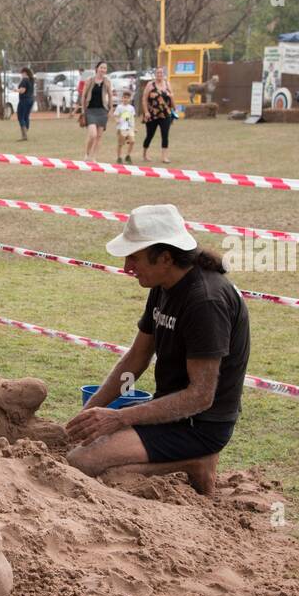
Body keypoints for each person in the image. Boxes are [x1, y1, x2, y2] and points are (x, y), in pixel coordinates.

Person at [65, 204, 250, 497]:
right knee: (83, 445)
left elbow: (201, 397)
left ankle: (194, 462)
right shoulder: (164, 283)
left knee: (82, 462)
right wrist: (86, 414)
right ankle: (178, 458)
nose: (127, 266)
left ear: (165, 257)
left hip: (200, 425)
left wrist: (121, 417)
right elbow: (137, 357)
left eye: (134, 257)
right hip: (172, 412)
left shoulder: (206, 302)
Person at [79, 60, 112, 161]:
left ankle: (94, 157)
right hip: (90, 110)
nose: (103, 70)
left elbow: (110, 96)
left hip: (102, 111)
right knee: (93, 134)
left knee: (99, 136)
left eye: (105, 68)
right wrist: (83, 110)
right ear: (97, 68)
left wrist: (111, 110)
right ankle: (87, 153)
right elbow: (83, 96)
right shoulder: (89, 80)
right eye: (101, 67)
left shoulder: (107, 82)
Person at [141, 66, 174, 163]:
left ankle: (164, 157)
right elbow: (144, 99)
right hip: (152, 114)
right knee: (150, 135)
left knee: (165, 135)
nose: (159, 75)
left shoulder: (167, 84)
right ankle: (144, 154)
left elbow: (172, 97)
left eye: (161, 73)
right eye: (157, 73)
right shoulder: (150, 84)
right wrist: (146, 111)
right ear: (155, 74)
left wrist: (172, 108)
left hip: (165, 114)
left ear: (164, 74)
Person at [114, 90, 136, 163]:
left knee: (132, 141)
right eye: (124, 97)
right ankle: (119, 157)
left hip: (129, 128)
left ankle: (128, 156)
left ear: (130, 99)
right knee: (121, 143)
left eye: (127, 98)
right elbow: (116, 115)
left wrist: (134, 127)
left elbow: (132, 118)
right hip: (121, 127)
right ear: (122, 98)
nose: (125, 99)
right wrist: (117, 120)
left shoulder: (131, 108)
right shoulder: (119, 107)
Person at [15, 66, 34, 141]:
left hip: (24, 100)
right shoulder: (31, 80)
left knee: (20, 117)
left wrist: (16, 90)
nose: (21, 75)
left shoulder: (24, 80)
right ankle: (26, 131)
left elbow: (22, 90)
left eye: (21, 73)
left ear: (25, 73)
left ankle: (24, 135)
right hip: (31, 100)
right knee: (26, 116)